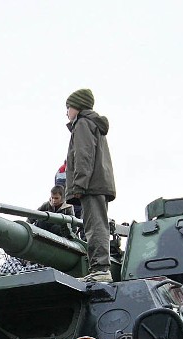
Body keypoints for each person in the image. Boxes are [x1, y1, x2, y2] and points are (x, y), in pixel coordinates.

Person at [64, 88, 116, 283]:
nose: (67, 113)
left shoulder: (83, 124)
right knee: (97, 225)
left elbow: (83, 155)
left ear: (77, 106)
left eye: (68, 107)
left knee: (94, 226)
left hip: (91, 185)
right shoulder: (93, 124)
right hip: (98, 183)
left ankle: (100, 269)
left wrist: (78, 185)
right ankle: (100, 268)